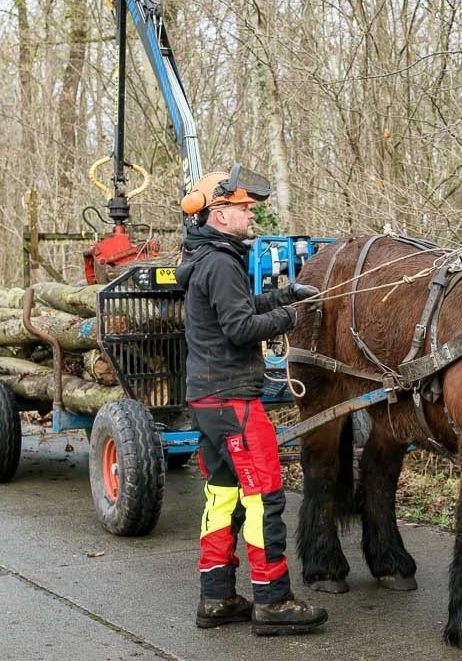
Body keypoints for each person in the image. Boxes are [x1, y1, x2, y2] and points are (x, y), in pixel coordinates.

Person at [174, 165, 328, 636]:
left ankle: (216, 599)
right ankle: (272, 601)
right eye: (243, 209)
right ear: (219, 216)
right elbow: (240, 329)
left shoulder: (208, 259)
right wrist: (289, 316)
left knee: (222, 498)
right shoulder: (220, 262)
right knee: (265, 500)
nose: (249, 216)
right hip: (233, 403)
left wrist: (283, 294)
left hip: (208, 399)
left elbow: (236, 309)